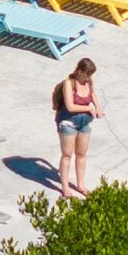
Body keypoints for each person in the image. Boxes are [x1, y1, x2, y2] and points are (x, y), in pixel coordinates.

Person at [52, 58, 100, 196]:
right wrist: (88, 108)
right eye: (86, 74)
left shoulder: (89, 81)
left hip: (84, 122)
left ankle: (81, 185)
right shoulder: (69, 83)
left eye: (90, 75)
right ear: (79, 71)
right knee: (67, 155)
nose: (88, 78)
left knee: (81, 154)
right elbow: (70, 106)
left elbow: (93, 94)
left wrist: (98, 108)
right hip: (68, 122)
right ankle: (65, 186)